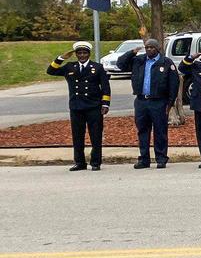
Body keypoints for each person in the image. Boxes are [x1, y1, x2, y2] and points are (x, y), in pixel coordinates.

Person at [47, 41, 110, 172]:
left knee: (96, 136)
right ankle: (80, 162)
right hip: (76, 107)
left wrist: (105, 104)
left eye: (84, 53)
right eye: (79, 53)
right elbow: (51, 71)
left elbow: (105, 88)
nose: (82, 55)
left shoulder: (97, 67)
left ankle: (95, 162)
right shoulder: (70, 67)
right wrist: (60, 58)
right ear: (76, 54)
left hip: (94, 106)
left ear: (89, 54)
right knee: (77, 136)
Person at [116, 38, 179, 169]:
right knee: (143, 131)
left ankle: (161, 158)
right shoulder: (138, 61)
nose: (149, 50)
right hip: (141, 101)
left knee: (160, 131)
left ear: (158, 49)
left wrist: (170, 103)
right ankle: (144, 159)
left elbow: (174, 84)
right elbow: (120, 64)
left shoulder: (166, 63)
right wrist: (131, 52)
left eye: (152, 47)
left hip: (159, 102)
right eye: (147, 47)